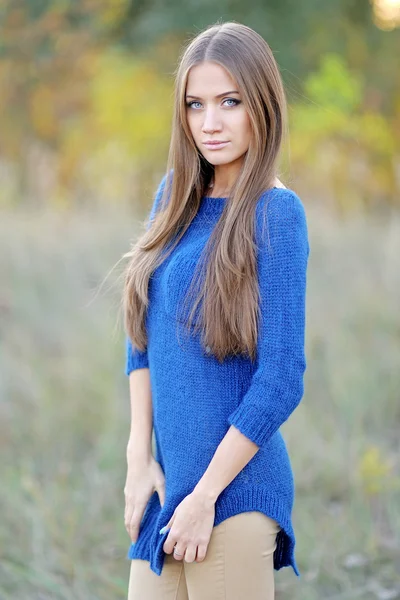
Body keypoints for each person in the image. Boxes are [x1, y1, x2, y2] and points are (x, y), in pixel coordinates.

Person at [122, 20, 310, 600]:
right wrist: (137, 456)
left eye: (230, 102)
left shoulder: (276, 214)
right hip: (168, 486)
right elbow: (142, 336)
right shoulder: (174, 193)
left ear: (262, 104)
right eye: (195, 103)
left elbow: (281, 379)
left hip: (234, 495)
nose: (210, 122)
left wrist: (206, 496)